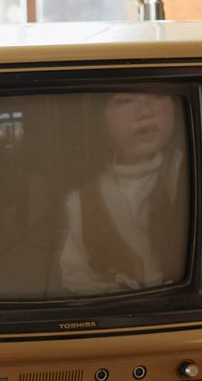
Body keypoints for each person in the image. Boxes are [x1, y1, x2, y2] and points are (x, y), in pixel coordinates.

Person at [58, 89, 188, 294]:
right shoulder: (80, 202)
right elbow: (76, 276)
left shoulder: (188, 172)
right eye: (125, 100)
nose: (145, 111)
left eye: (156, 94)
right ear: (101, 119)